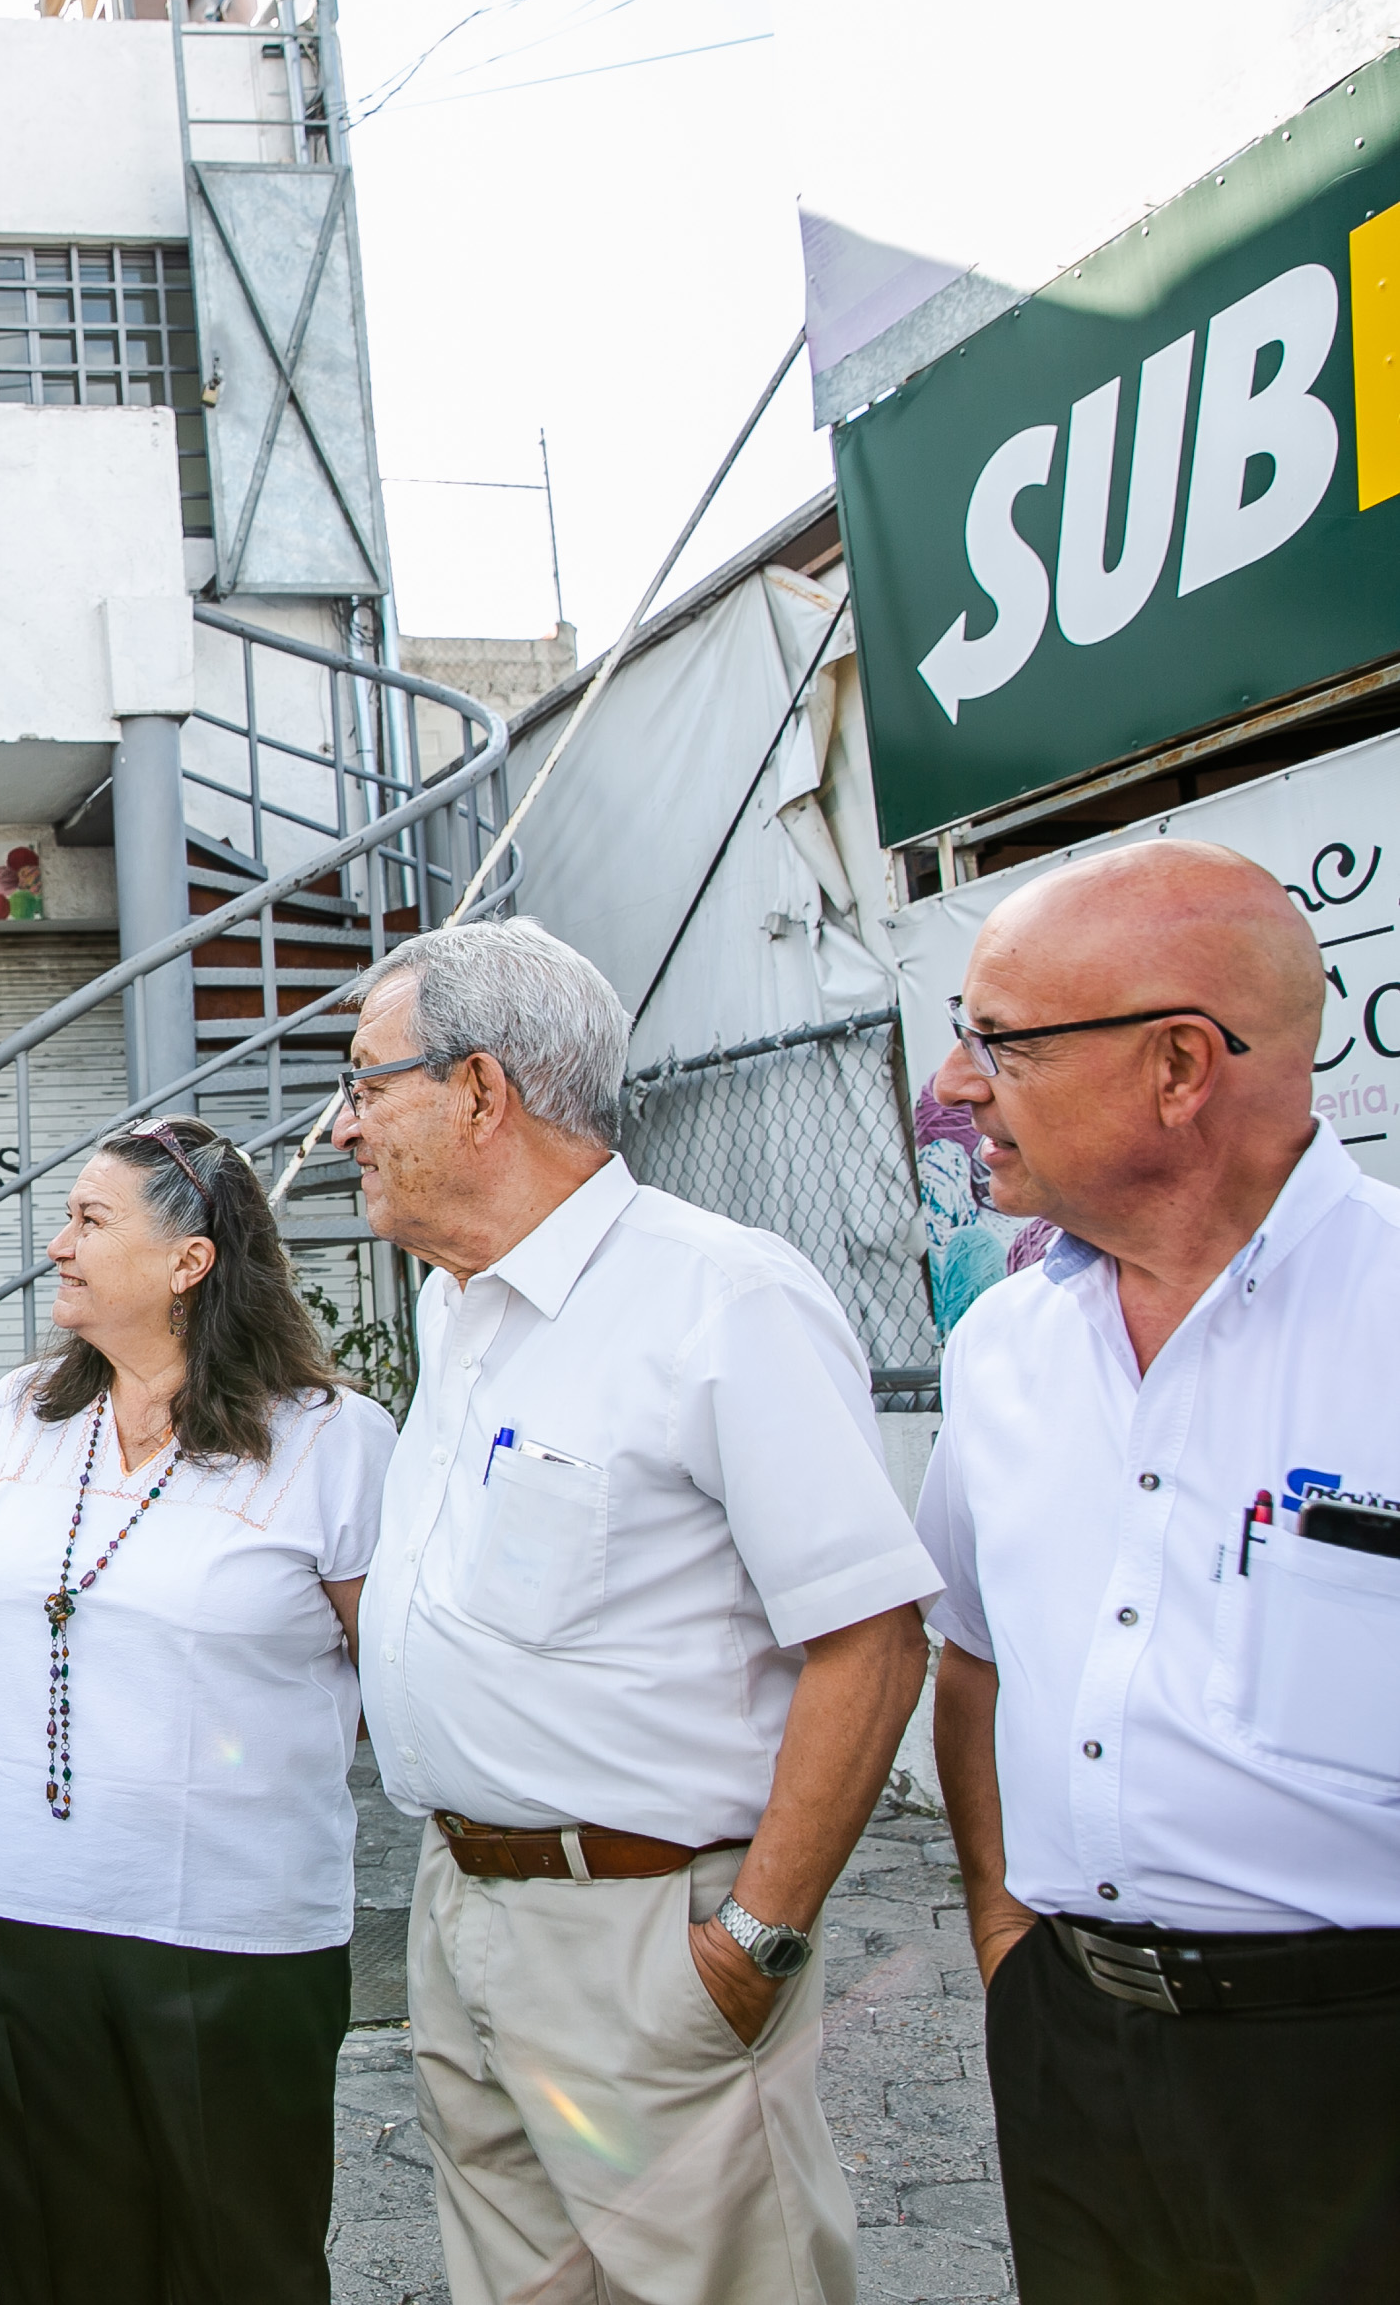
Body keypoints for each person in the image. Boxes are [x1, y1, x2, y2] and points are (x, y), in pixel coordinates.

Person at [332, 920, 939, 2305]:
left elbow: (872, 1640)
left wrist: (754, 1947)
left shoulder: (721, 1297)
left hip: (648, 1939)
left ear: (480, 1091)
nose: (346, 1125)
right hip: (464, 1908)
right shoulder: (456, 1307)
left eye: (369, 1084)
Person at [917, 840, 1400, 2305]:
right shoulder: (1003, 1344)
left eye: (1000, 1037)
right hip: (1075, 2045)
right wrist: (1010, 1941)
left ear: (1181, 1065)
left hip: (1354, 2066)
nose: (953, 1081)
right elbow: (974, 1659)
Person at [0, 1115, 395, 2303]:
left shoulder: (328, 1443)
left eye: (89, 1220)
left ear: (189, 1261)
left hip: (231, 1932)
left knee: (240, 2260)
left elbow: (388, 1672)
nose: (56, 1246)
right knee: (54, 2254)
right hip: (7, 1910)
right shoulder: (11, 1416)